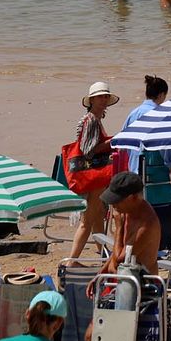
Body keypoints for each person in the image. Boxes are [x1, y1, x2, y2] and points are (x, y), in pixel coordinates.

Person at [68, 81, 119, 259]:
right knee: (87, 221)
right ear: (92, 100)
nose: (104, 99)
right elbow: (87, 151)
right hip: (92, 176)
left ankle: (102, 253)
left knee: (97, 217)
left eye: (106, 96)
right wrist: (112, 142)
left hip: (92, 176)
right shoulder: (90, 120)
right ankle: (71, 261)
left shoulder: (93, 119)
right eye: (100, 97)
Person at [99, 171, 161, 276]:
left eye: (117, 201)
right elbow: (118, 250)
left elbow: (119, 261)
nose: (113, 205)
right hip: (122, 280)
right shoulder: (128, 211)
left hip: (141, 285)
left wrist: (119, 227)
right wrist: (100, 274)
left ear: (134, 197)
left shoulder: (146, 225)